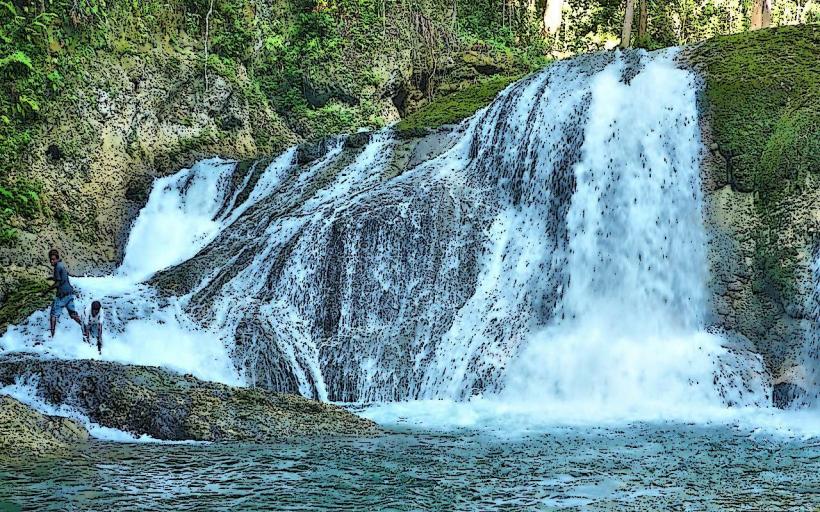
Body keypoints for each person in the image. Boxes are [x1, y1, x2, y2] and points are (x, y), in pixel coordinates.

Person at [47, 248, 83, 337]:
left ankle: (52, 336)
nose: (52, 261)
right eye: (51, 259)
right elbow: (62, 278)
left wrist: (46, 291)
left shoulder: (57, 267)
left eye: (53, 259)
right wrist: (53, 278)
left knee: (53, 315)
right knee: (73, 314)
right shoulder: (61, 265)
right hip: (70, 294)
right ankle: (85, 327)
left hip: (62, 296)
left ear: (57, 258)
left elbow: (58, 283)